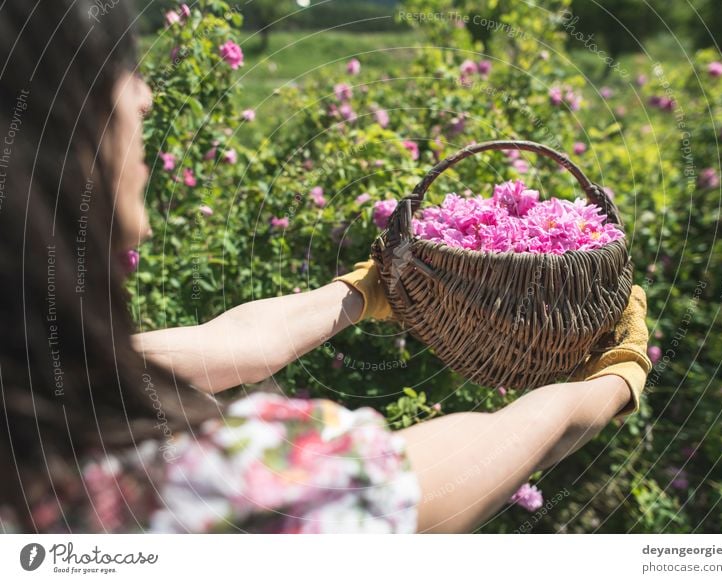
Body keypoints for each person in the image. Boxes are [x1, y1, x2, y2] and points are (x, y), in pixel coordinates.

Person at [0, 0, 652, 534]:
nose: (144, 97)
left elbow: (211, 348)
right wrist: (611, 381)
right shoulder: (207, 484)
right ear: (52, 143)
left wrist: (361, 292)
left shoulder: (34, 387)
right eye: (122, 70)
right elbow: (422, 482)